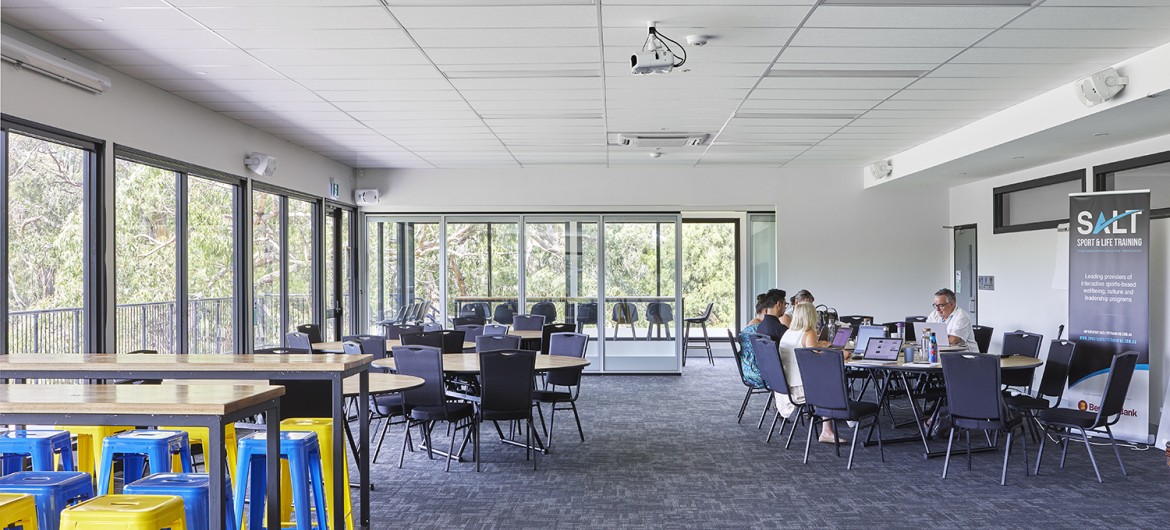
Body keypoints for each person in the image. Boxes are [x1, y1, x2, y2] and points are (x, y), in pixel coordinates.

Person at [776, 302, 845, 443]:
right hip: (800, 390)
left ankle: (835, 425)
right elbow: (818, 359)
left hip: (784, 388)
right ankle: (830, 429)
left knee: (828, 381)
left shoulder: (788, 333)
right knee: (832, 384)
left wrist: (820, 344)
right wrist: (841, 354)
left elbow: (809, 348)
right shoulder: (809, 332)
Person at [926, 288, 978, 352]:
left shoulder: (962, 317)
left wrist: (933, 337)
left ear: (951, 304)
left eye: (941, 305)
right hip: (943, 353)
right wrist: (945, 337)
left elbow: (953, 340)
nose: (937, 309)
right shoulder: (934, 314)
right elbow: (925, 334)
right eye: (935, 305)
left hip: (965, 357)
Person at [736, 294, 769, 388]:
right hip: (758, 374)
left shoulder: (750, 325)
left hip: (748, 370)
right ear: (765, 311)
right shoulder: (758, 329)